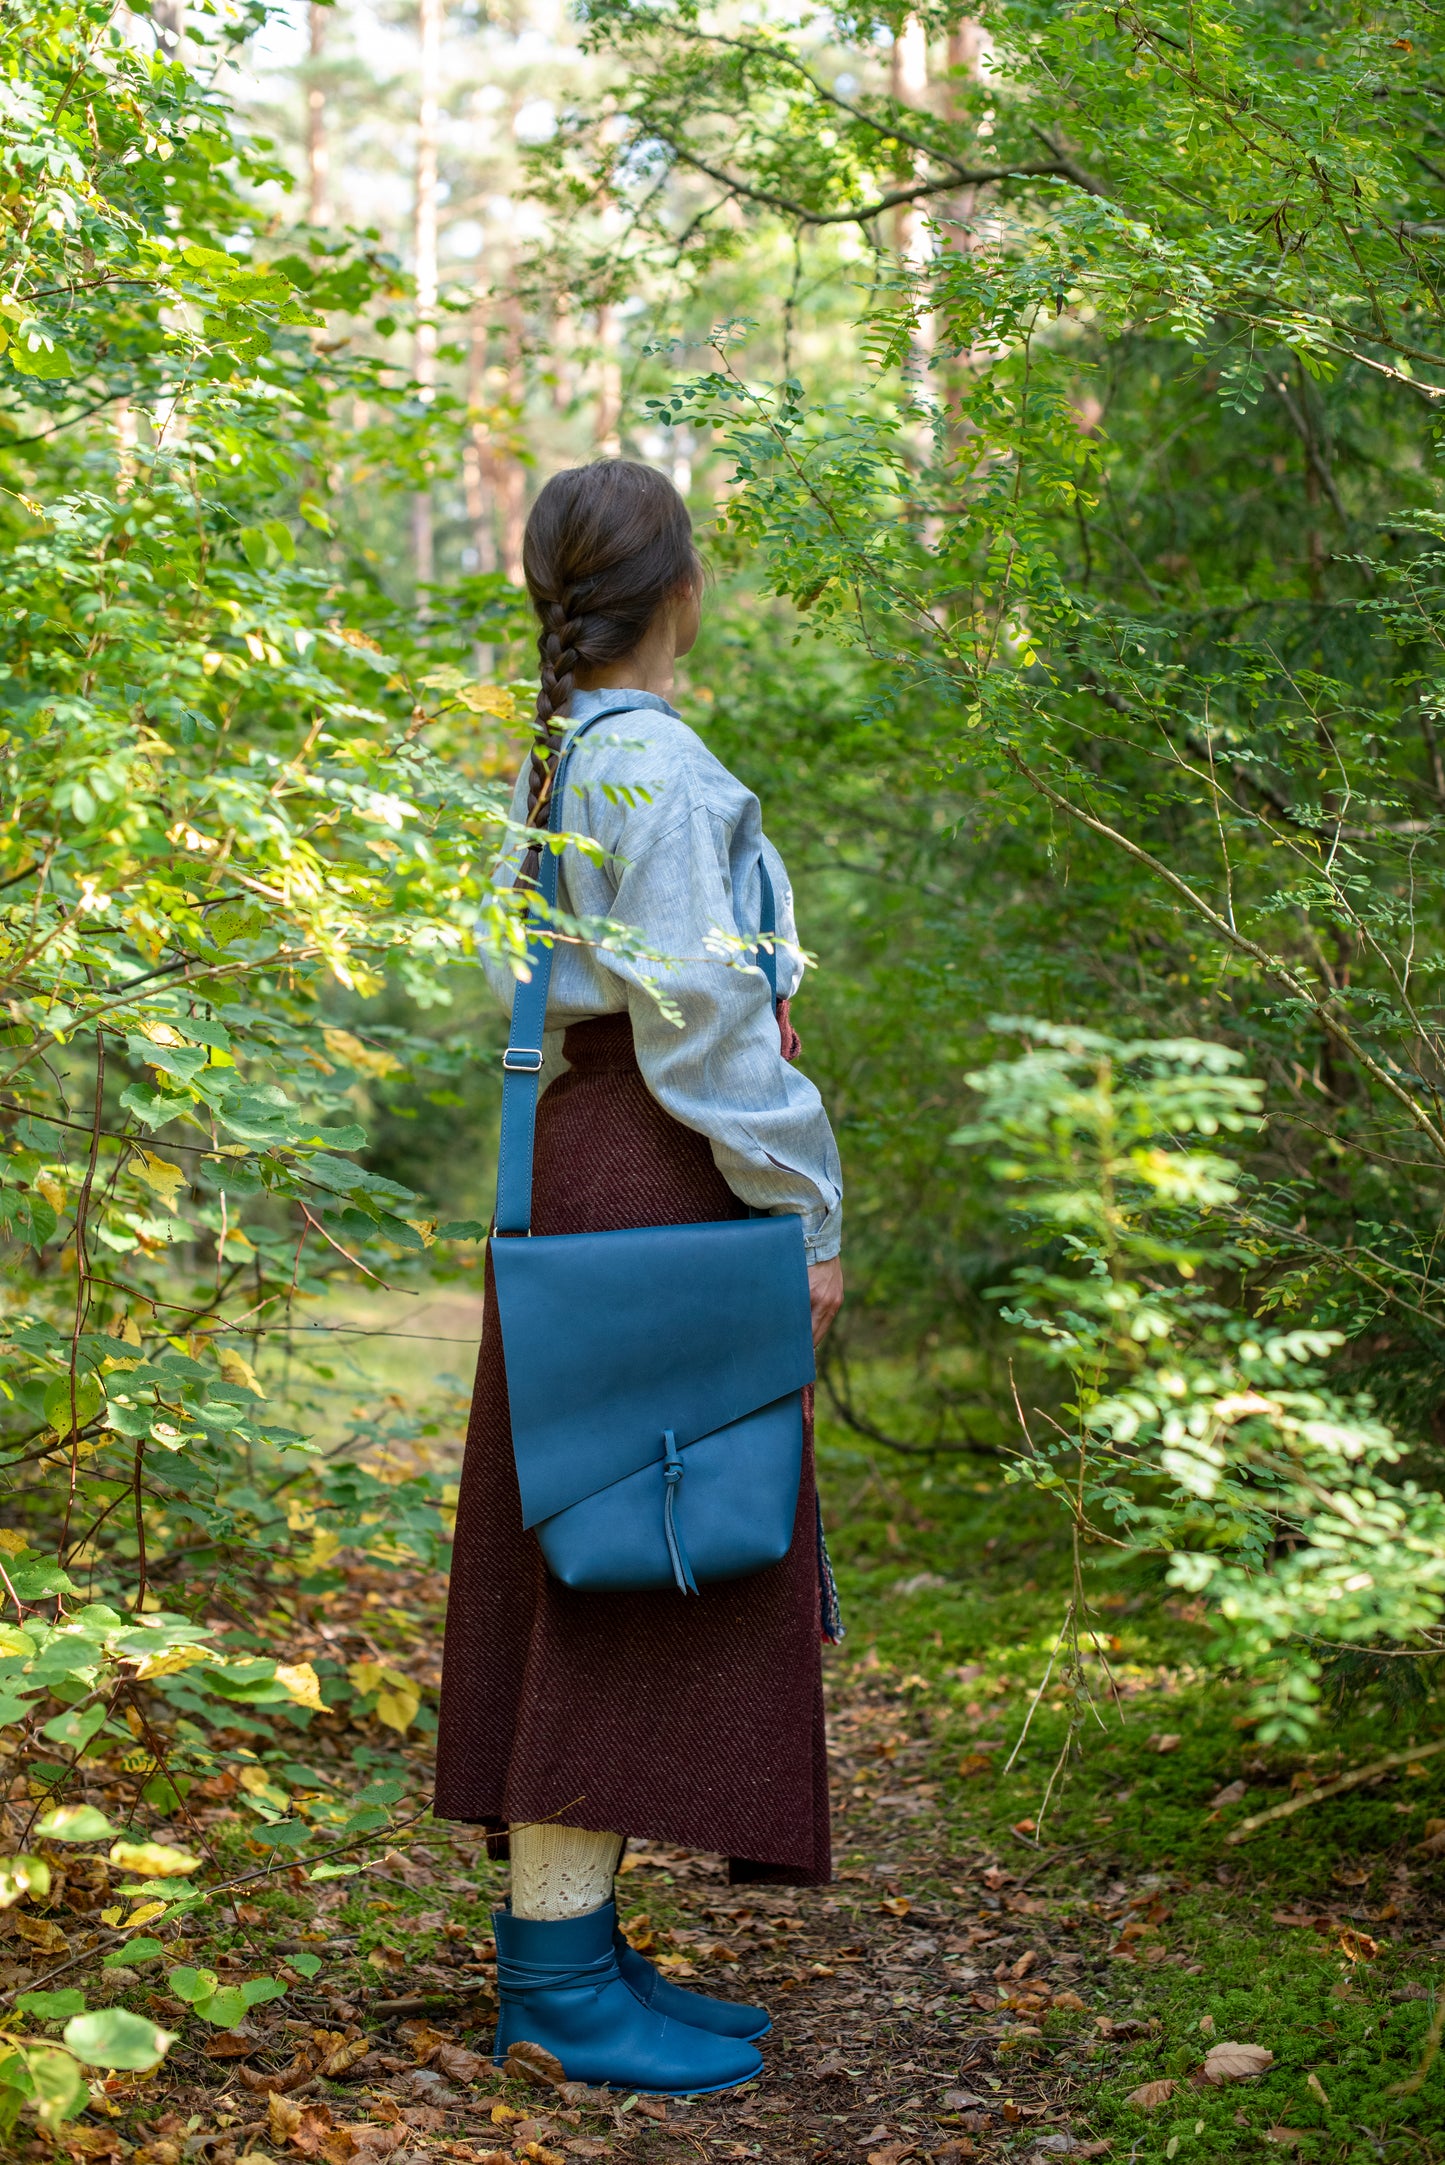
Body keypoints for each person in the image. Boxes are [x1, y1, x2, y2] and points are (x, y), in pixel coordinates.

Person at [435, 458, 844, 2095]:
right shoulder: (651, 767)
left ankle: (575, 1949)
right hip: (658, 1173)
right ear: (681, 589)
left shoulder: (551, 757)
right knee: (628, 1558)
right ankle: (552, 1981)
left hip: (578, 1167)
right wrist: (805, 1210)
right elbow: (707, 1023)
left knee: (602, 1551)